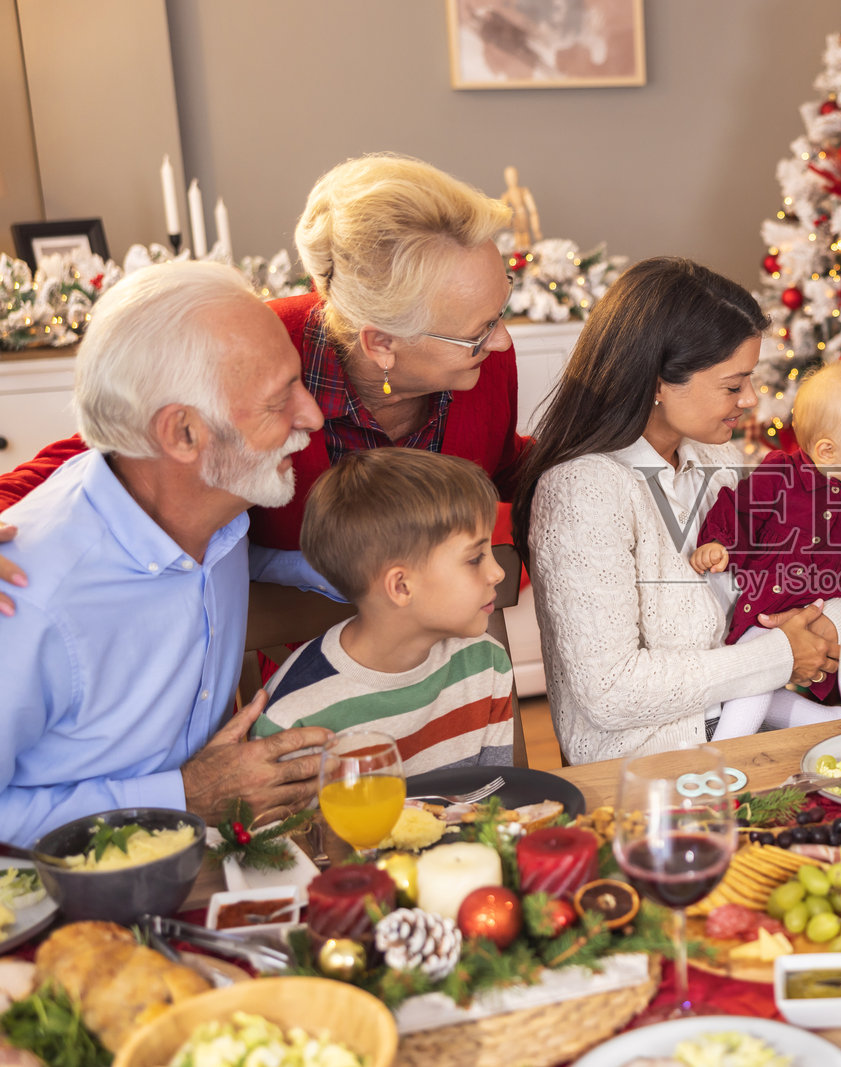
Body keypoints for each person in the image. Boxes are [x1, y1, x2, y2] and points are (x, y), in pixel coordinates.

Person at [0, 153, 526, 647]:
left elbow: (504, 462)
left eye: (499, 311)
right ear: (381, 342)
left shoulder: (482, 363)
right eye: (480, 331)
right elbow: (111, 451)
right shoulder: (259, 346)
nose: (501, 341)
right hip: (288, 674)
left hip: (443, 659)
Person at [0, 261, 334, 844]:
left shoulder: (222, 514)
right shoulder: (28, 600)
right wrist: (183, 797)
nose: (312, 415)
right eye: (279, 399)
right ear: (182, 434)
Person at [512, 257, 841, 764]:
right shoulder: (583, 490)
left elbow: (760, 584)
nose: (752, 399)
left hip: (751, 737)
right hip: (650, 772)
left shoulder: (715, 457)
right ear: (656, 384)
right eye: (733, 386)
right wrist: (781, 656)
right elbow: (610, 690)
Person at [253, 449, 515, 773]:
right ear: (401, 587)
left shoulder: (487, 664)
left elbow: (495, 808)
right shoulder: (292, 718)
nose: (497, 573)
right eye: (475, 558)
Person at [692, 359, 841, 737]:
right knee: (760, 673)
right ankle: (729, 748)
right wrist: (720, 543)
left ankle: (826, 720)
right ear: (827, 451)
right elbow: (741, 509)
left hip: (825, 614)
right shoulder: (779, 476)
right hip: (766, 612)